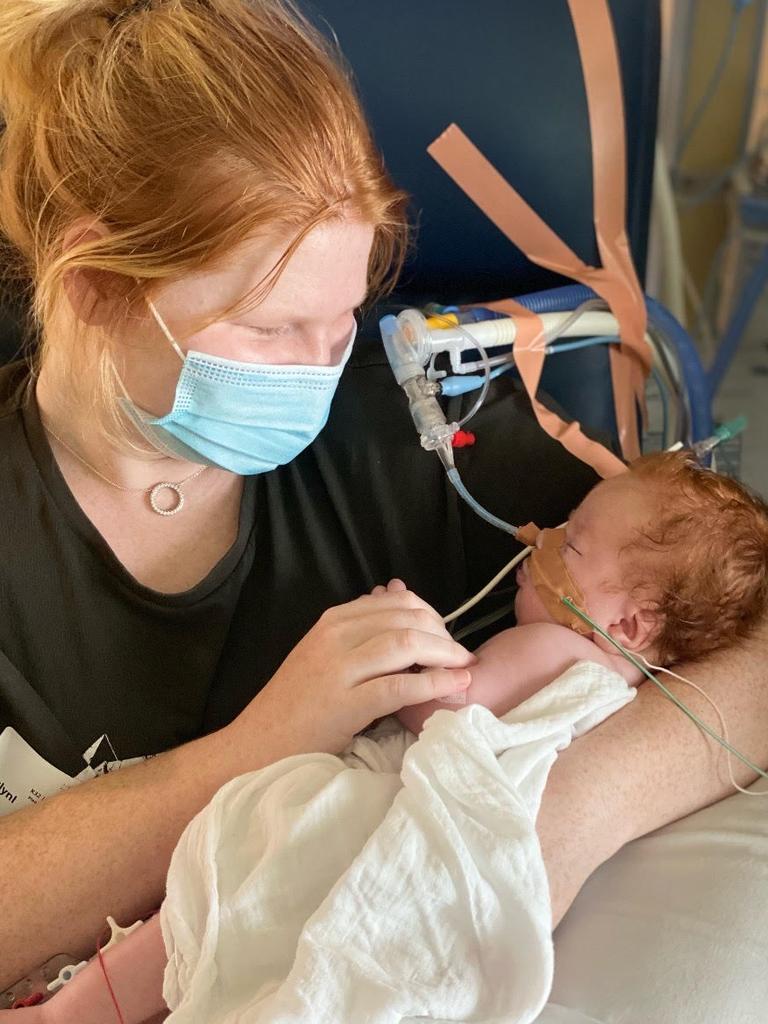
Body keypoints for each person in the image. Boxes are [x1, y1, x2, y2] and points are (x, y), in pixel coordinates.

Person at [0, 0, 767, 1007]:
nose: (322, 369)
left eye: (347, 315)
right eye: (275, 329)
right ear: (97, 280)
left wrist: (553, 834)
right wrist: (257, 748)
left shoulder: (431, 449)